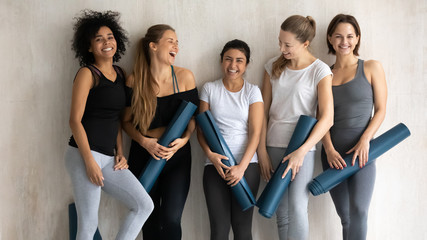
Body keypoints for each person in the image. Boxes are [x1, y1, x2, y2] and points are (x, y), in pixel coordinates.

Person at [65, 10, 153, 240]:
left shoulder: (121, 74)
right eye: (99, 39)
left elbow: (116, 119)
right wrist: (89, 162)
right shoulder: (87, 74)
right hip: (83, 154)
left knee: (144, 205)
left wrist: (120, 154)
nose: (106, 42)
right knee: (88, 224)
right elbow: (74, 121)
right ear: (89, 47)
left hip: (108, 157)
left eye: (110, 36)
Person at [257, 15, 334, 240]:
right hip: (272, 145)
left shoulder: (320, 71)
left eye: (287, 45)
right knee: (280, 211)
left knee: (298, 208)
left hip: (303, 149)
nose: (281, 48)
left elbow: (327, 118)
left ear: (305, 44)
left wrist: (301, 152)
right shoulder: (271, 66)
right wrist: (261, 151)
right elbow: (262, 112)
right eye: (280, 42)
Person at [122, 24, 198, 240]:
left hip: (177, 157)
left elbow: (193, 118)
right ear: (153, 46)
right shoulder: (135, 80)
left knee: (172, 219)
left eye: (177, 42)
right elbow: (125, 122)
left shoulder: (185, 77)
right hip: (144, 155)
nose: (176, 46)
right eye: (171, 41)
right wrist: (144, 142)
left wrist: (184, 140)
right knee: (149, 219)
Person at [321, 14, 387, 240]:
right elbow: (321, 118)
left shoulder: (371, 67)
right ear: (330, 38)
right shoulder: (323, 75)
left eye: (350, 36)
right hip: (332, 155)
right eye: (338, 36)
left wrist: (366, 139)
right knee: (345, 216)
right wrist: (329, 150)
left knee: (359, 211)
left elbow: (380, 110)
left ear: (357, 38)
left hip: (363, 153)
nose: (344, 41)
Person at [197, 39, 263, 240]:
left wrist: (241, 167)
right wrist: (211, 155)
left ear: (246, 64)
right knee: (219, 230)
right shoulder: (209, 89)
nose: (233, 65)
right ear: (221, 61)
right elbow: (202, 129)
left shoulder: (252, 91)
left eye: (239, 61)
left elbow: (255, 133)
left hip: (247, 167)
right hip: (215, 166)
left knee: (242, 230)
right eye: (228, 59)